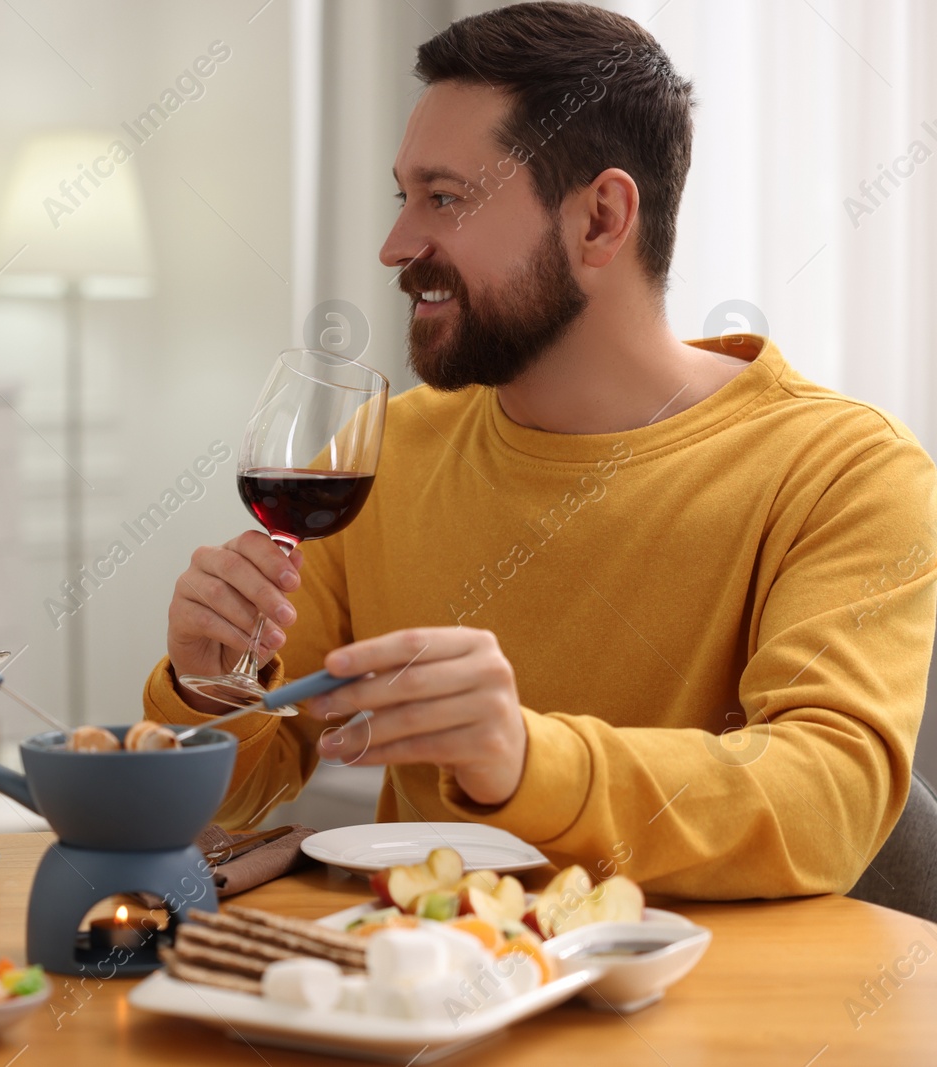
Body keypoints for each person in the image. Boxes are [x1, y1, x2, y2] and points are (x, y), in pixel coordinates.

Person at [144, 2, 937, 900]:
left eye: (443, 198)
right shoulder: (386, 452)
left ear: (600, 219)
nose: (396, 245)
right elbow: (251, 781)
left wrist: (525, 759)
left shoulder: (844, 470)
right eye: (402, 197)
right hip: (424, 1000)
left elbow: (828, 798)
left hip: (705, 1017)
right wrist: (208, 684)